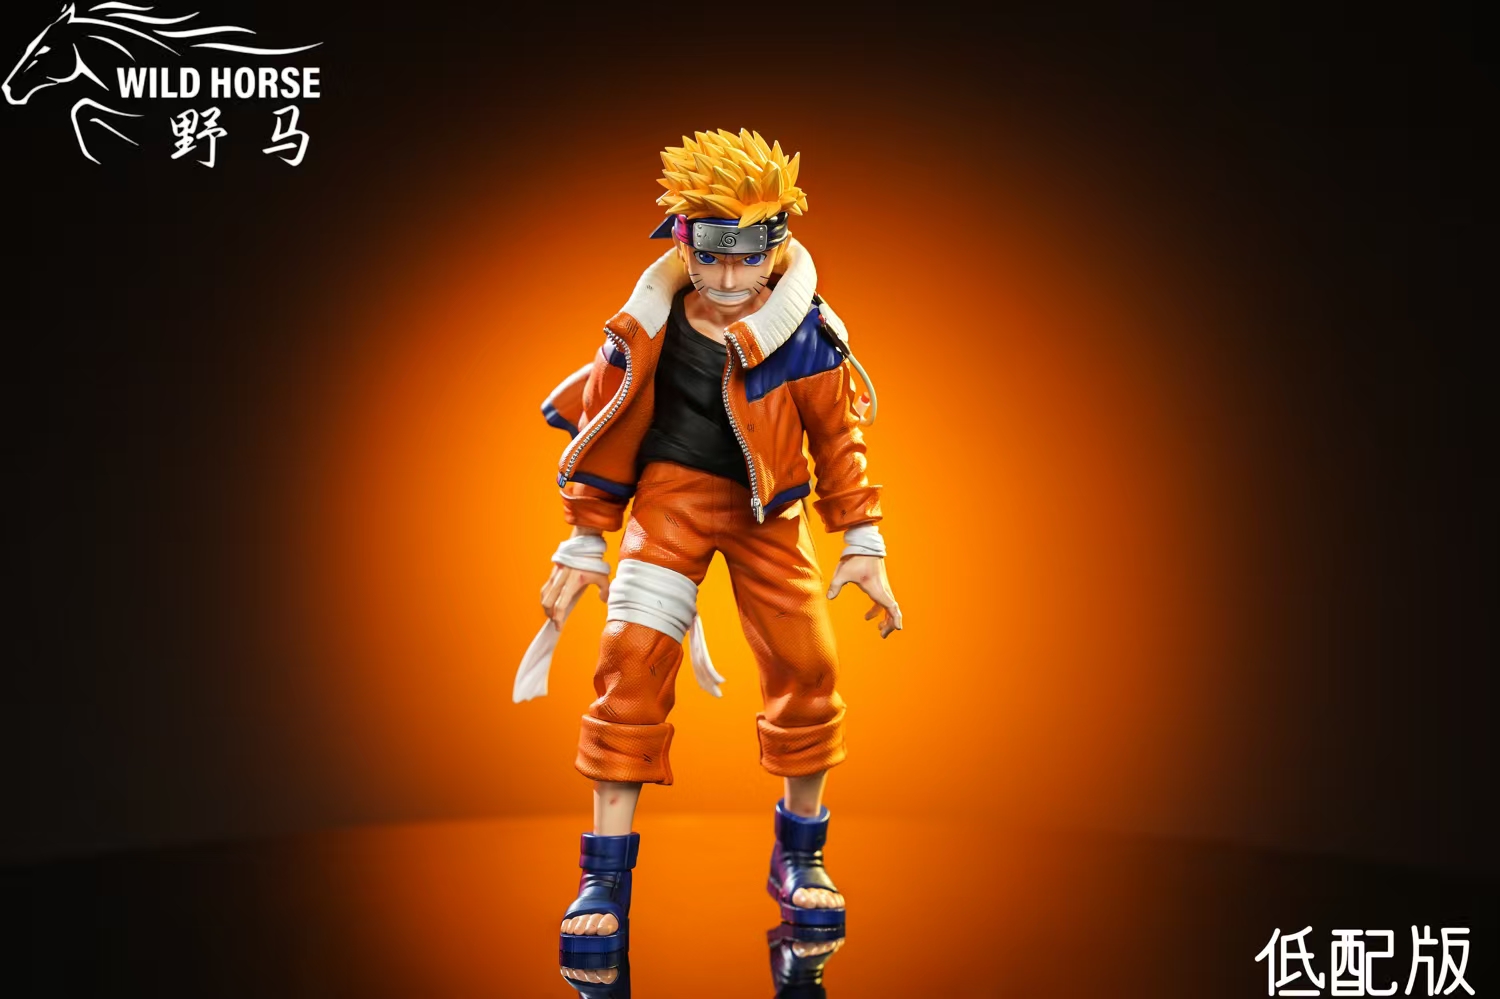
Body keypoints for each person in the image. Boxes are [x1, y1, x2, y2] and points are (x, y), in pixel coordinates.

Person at [536, 129, 902, 957]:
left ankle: (800, 856)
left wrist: (863, 537)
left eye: (749, 259)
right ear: (682, 242)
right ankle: (603, 877)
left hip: (771, 512)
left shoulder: (805, 335)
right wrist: (585, 536)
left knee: (809, 665)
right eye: (712, 258)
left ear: (777, 247)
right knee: (629, 663)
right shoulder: (644, 327)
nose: (731, 281)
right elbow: (601, 424)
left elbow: (838, 441)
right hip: (669, 503)